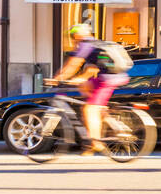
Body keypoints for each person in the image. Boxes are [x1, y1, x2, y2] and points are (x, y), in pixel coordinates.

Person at [48, 24, 127, 157]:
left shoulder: (84, 45)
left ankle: (96, 143)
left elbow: (73, 64)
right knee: (84, 87)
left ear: (77, 35)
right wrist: (80, 79)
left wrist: (58, 78)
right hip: (114, 76)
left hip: (108, 79)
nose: (73, 40)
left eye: (73, 37)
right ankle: (100, 114)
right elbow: (92, 69)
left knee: (89, 109)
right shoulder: (97, 45)